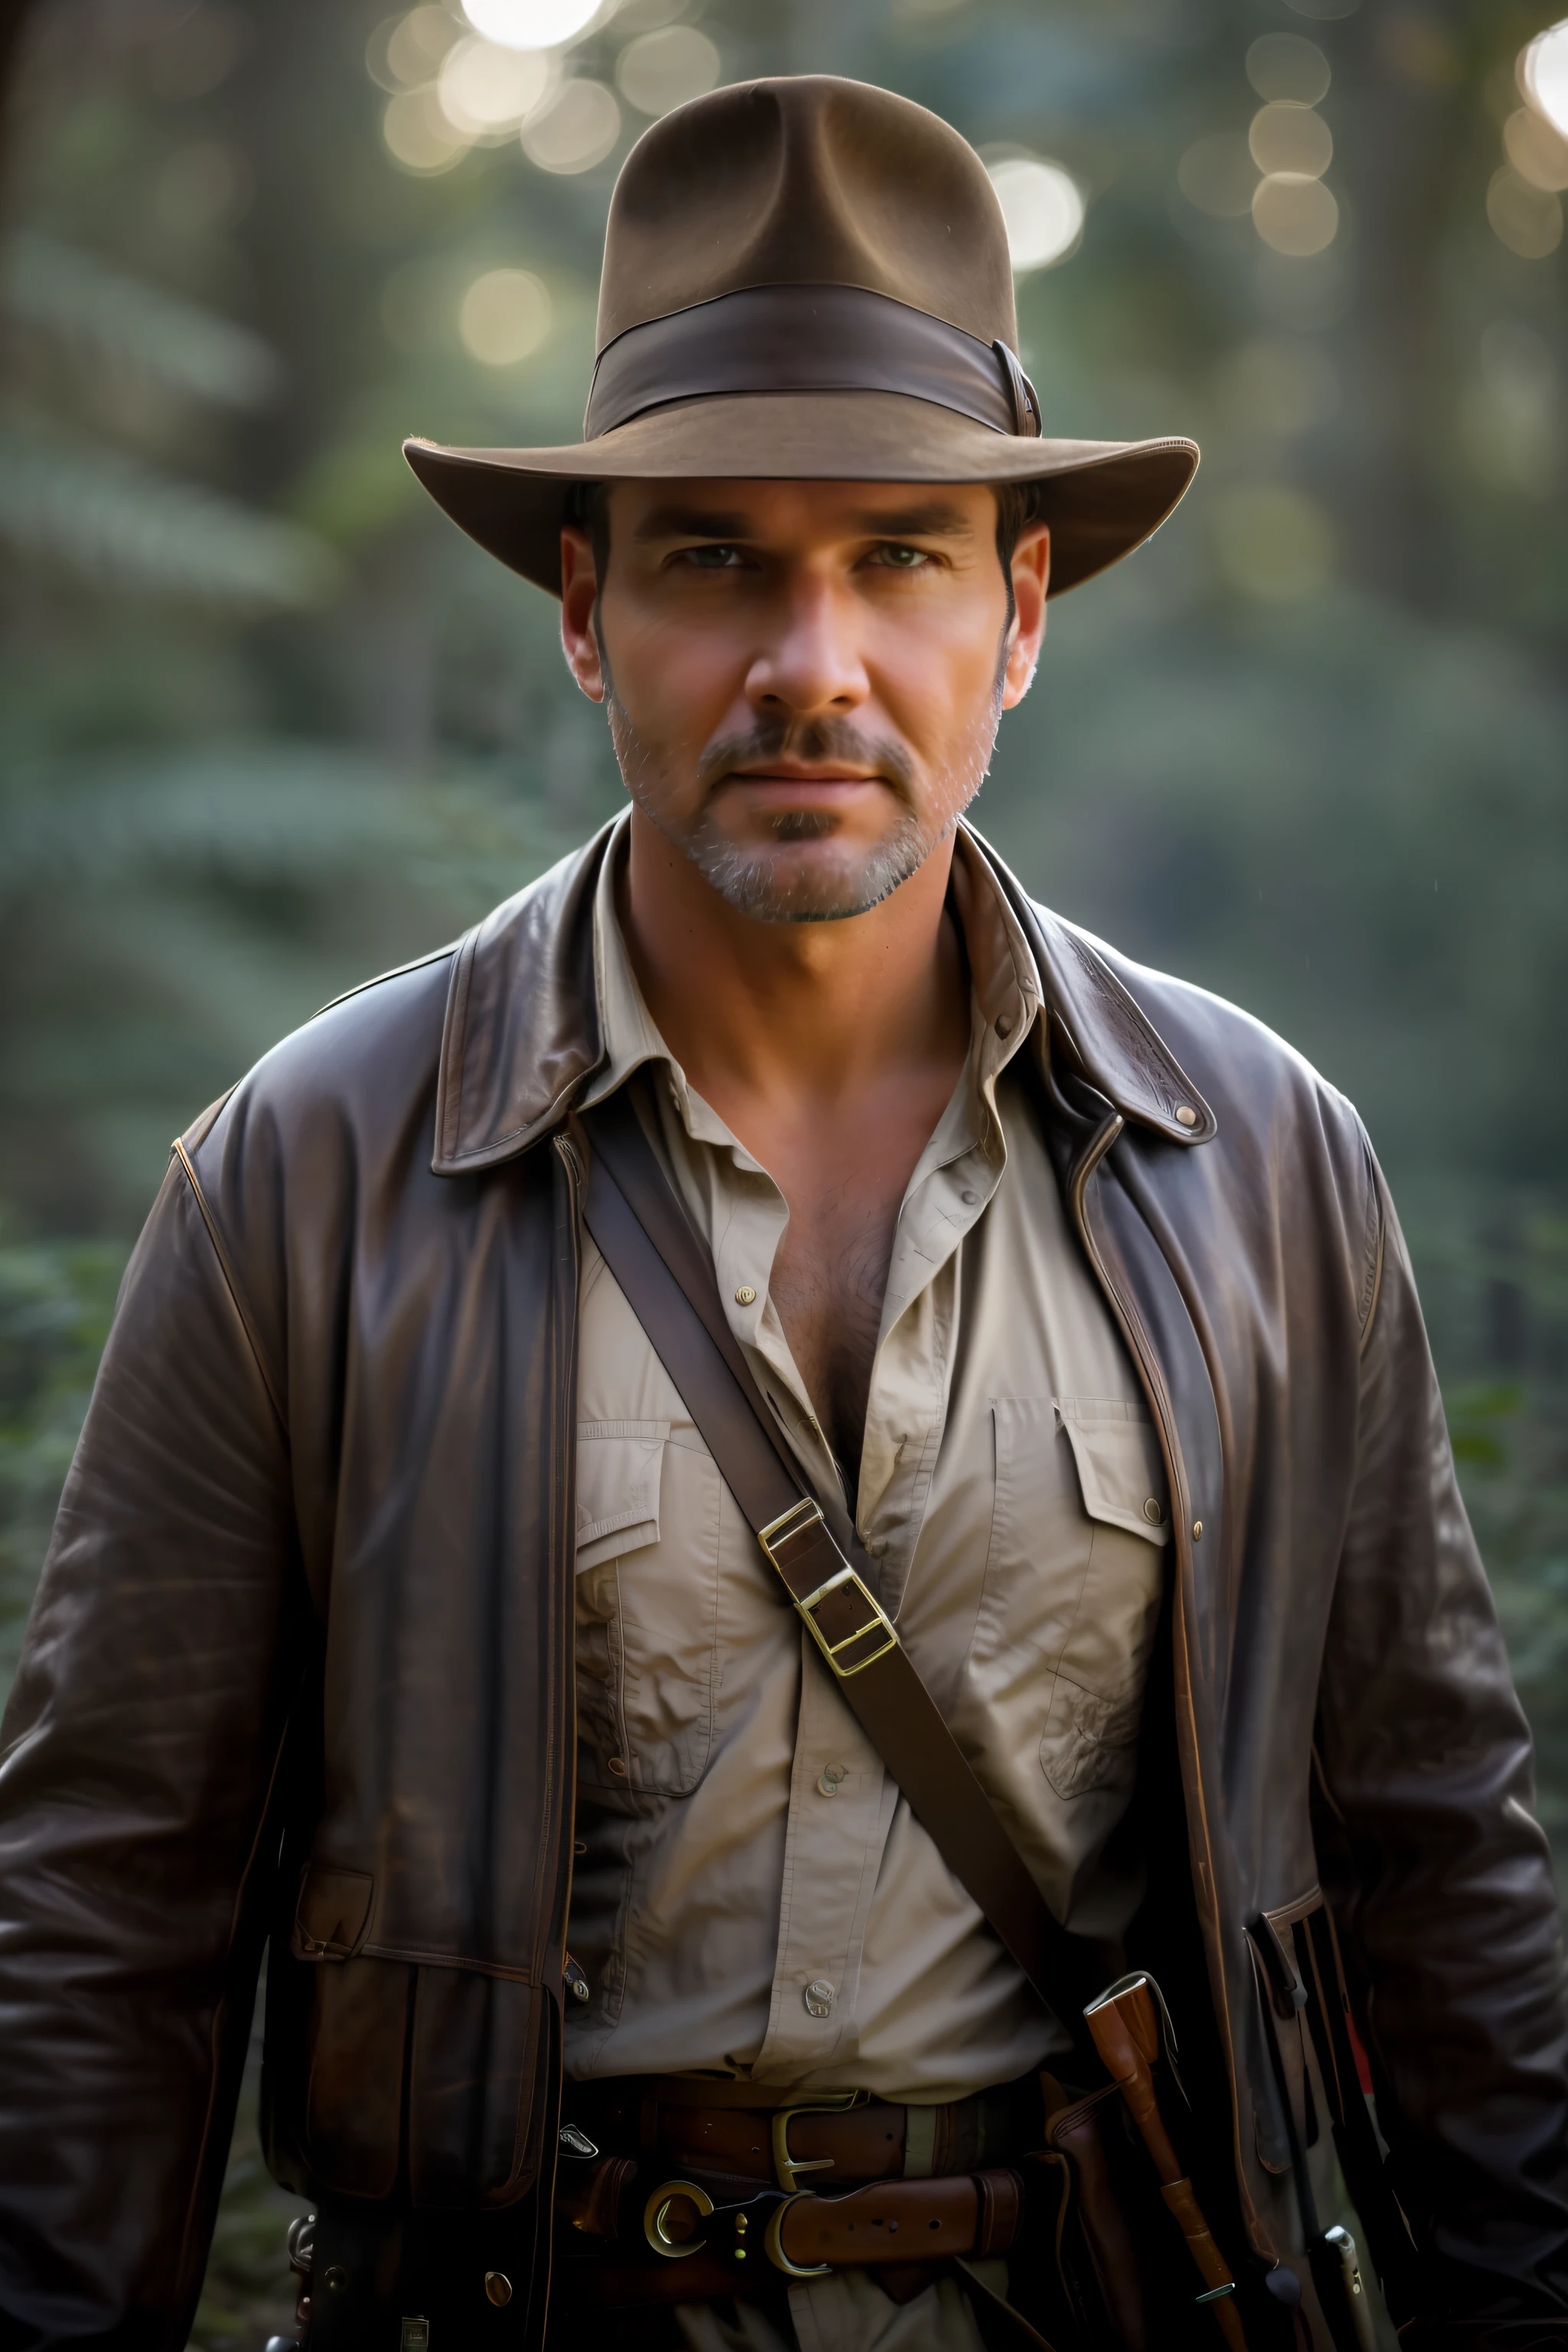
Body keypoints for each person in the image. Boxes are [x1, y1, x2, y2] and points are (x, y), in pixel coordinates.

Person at [0, 70, 1563, 2352]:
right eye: (716, 555)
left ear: (1019, 616)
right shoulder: (311, 1172)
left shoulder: (1266, 1169)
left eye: (898, 559)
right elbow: (100, 1925)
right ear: (584, 613)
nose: (808, 666)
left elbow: (1442, 1871)